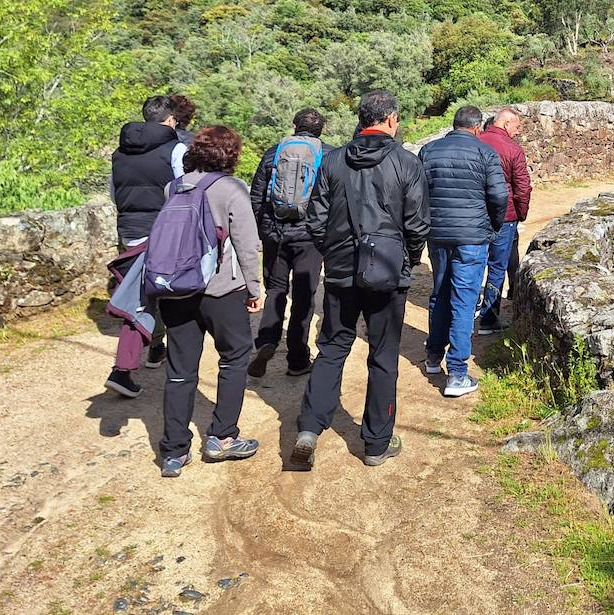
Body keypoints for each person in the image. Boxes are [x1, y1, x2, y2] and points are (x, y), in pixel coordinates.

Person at [291, 90, 429, 470]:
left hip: (339, 272)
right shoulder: (406, 162)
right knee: (383, 356)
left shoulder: (333, 160)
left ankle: (309, 429)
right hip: (387, 272)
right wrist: (408, 261)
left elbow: (315, 218)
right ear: (390, 120)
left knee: (333, 347)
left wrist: (334, 251)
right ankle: (376, 443)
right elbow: (417, 223)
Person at [157, 125, 264, 477]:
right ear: (231, 154)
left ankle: (174, 451)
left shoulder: (173, 187)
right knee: (234, 358)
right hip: (221, 291)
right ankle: (222, 436)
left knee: (180, 370)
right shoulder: (232, 190)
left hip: (176, 290)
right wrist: (255, 289)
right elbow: (247, 247)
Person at [420, 106, 509, 397]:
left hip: (438, 235)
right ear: (477, 128)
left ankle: (434, 356)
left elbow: (418, 193)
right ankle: (457, 373)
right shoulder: (485, 153)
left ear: (454, 124)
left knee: (440, 292)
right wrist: (492, 226)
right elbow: (498, 195)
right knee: (464, 300)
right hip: (472, 237)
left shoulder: (429, 151)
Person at [104, 94, 187, 398]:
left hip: (129, 229)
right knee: (152, 298)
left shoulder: (119, 152)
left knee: (145, 294)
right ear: (169, 120)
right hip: (162, 230)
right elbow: (183, 192)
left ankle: (155, 349)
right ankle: (124, 369)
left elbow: (114, 193)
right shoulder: (175, 148)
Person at [247, 107, 327, 378]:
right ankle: (297, 358)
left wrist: (262, 231)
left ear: (294, 126)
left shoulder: (274, 152)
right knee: (304, 295)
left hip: (275, 233)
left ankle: (268, 340)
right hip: (310, 236)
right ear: (321, 130)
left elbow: (257, 195)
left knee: (276, 289)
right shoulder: (326, 154)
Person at [477, 106, 532, 334]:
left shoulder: (476, 141)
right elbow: (522, 188)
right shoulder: (512, 149)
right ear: (507, 123)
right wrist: (520, 213)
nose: (518, 132)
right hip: (505, 216)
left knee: (475, 263)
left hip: (476, 215)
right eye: (517, 126)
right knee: (497, 266)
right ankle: (489, 319)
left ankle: (471, 309)